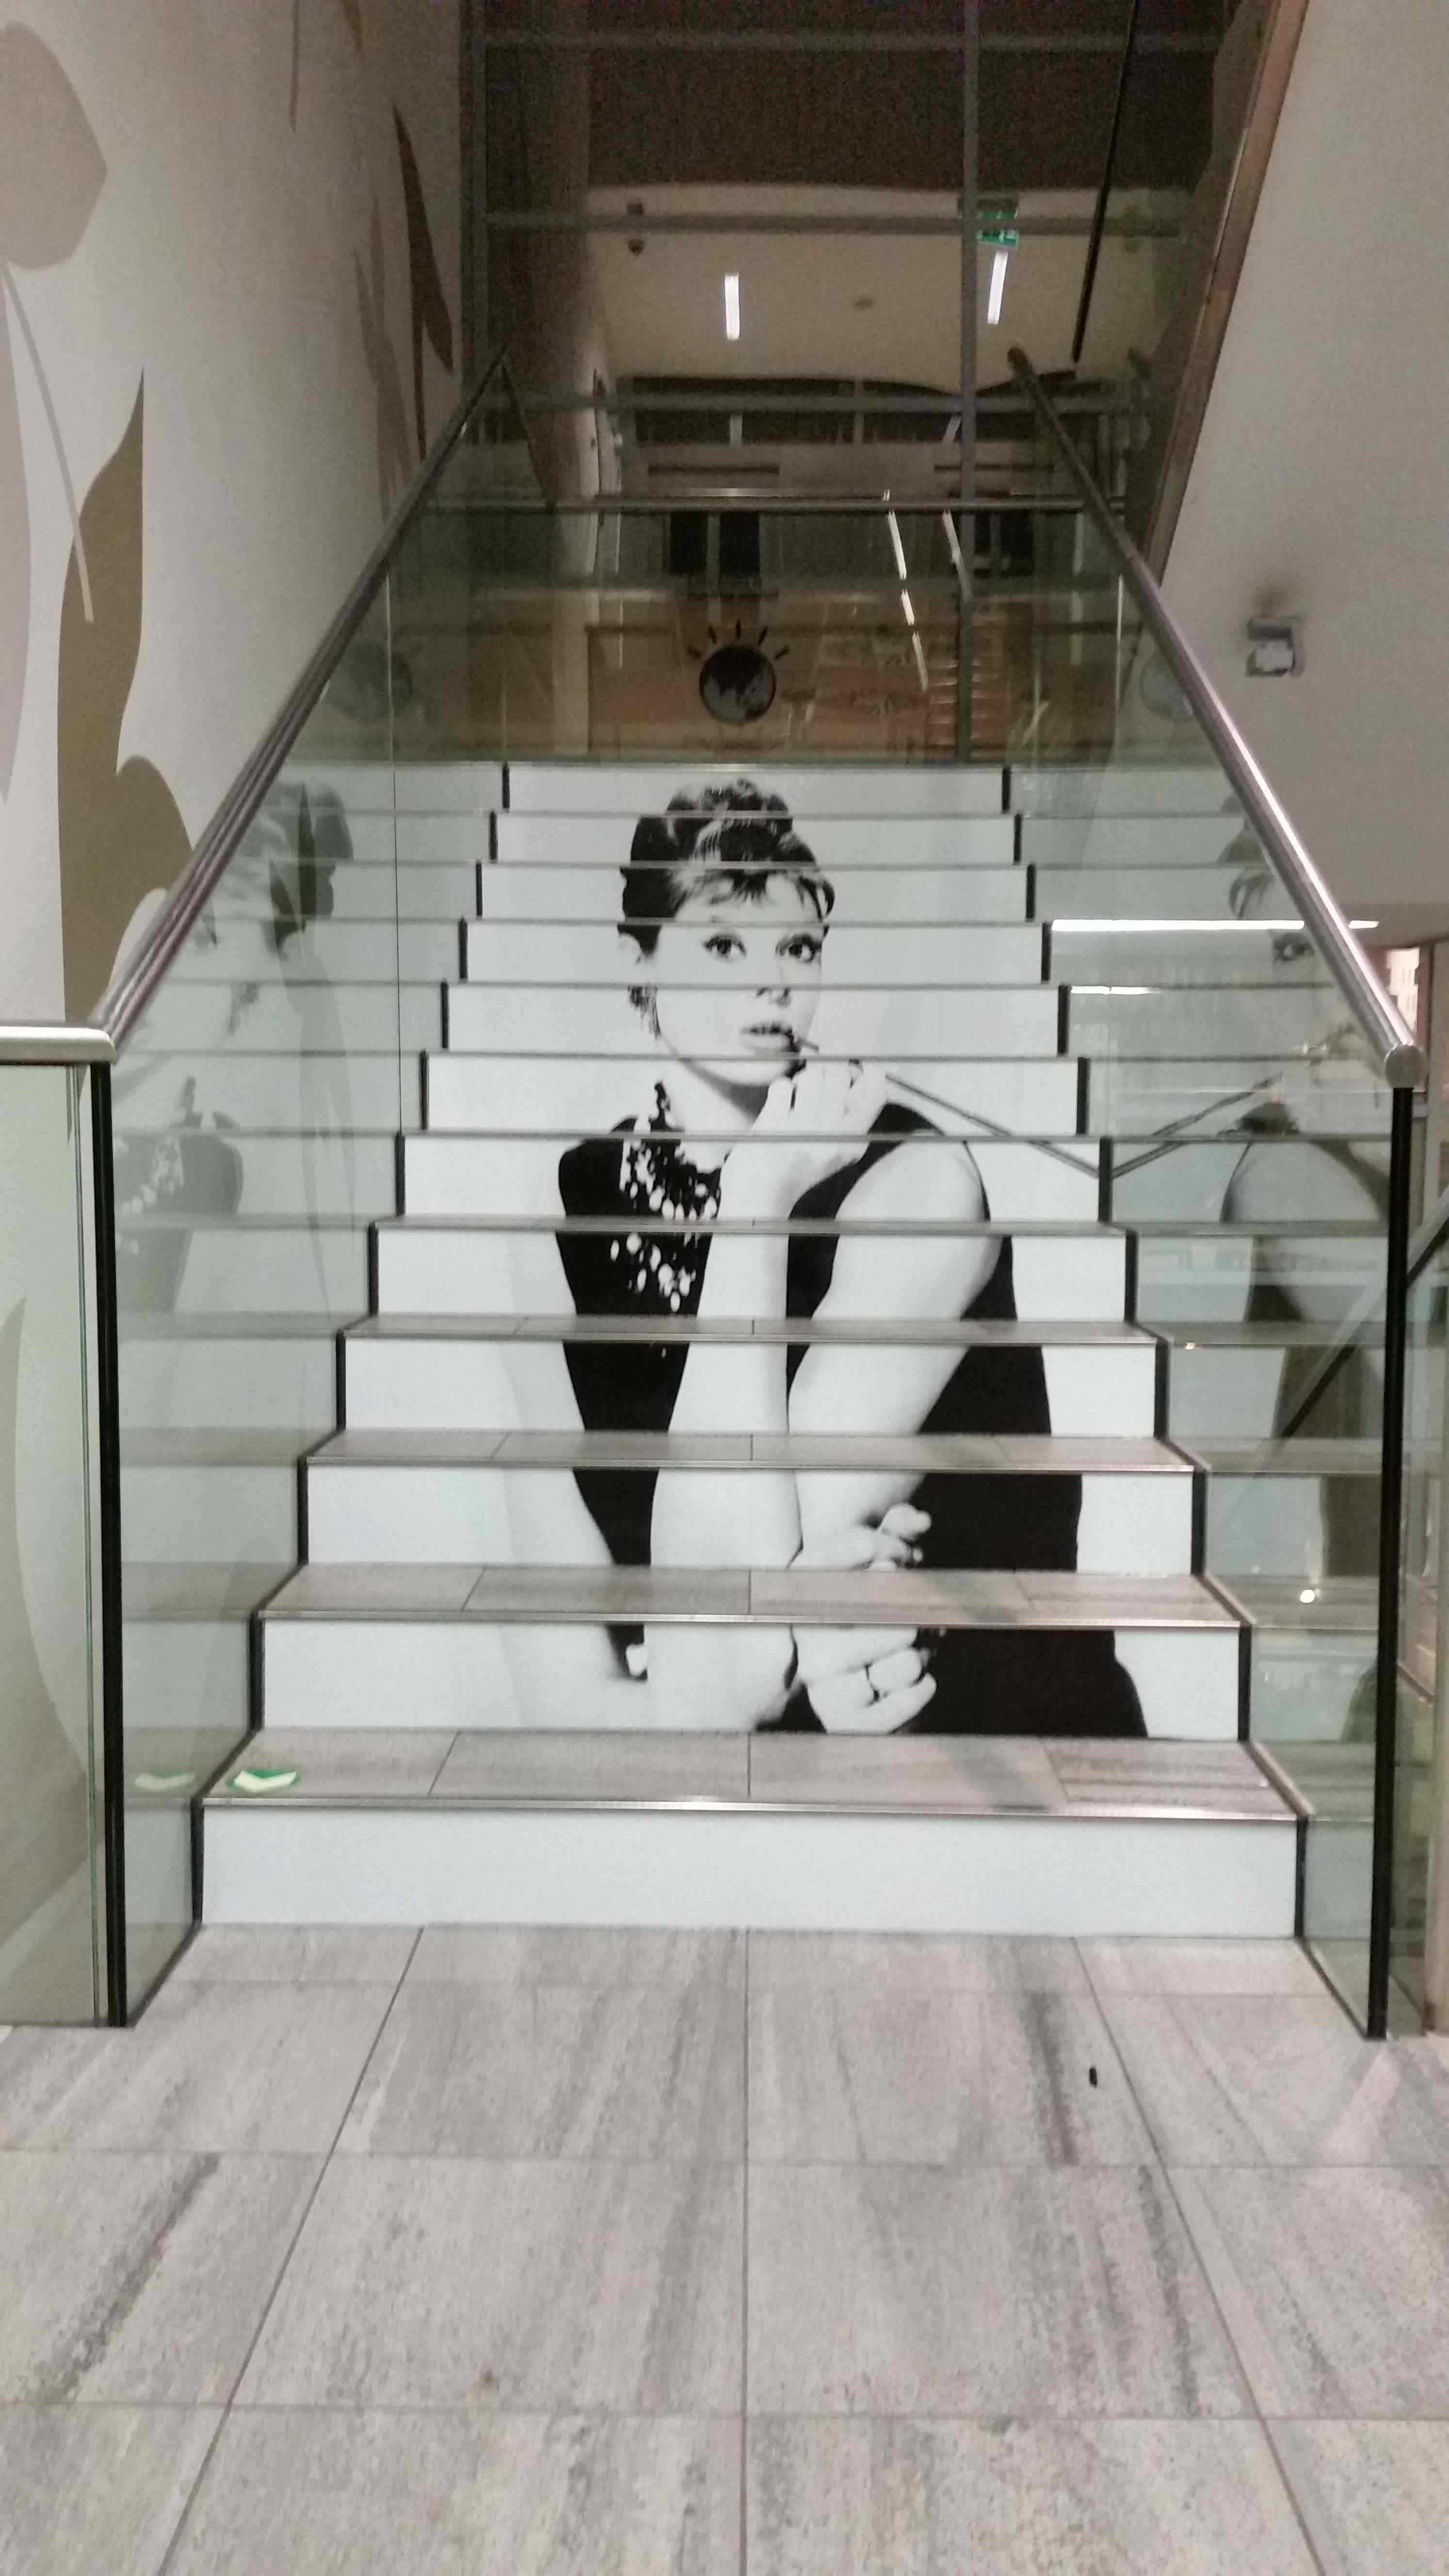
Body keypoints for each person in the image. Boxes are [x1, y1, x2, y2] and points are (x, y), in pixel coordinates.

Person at [544, 777, 1144, 1737]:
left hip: (988, 1723)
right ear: (638, 960)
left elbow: (726, 1643)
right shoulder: (594, 1182)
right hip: (765, 1730)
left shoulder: (916, 1184)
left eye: (799, 947)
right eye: (724, 946)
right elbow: (686, 1631)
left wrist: (756, 1198)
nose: (773, 982)